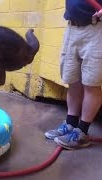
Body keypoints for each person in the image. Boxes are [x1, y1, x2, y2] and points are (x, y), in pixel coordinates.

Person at [44, 0, 102, 150]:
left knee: (91, 83)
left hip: (97, 28)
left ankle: (82, 133)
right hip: (72, 28)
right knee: (73, 80)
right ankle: (70, 125)